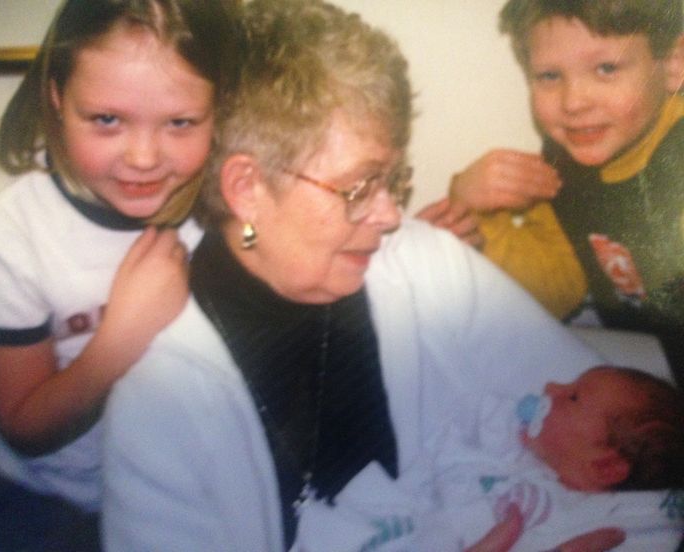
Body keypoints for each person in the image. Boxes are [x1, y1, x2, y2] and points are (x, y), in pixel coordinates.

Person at [102, 1, 626, 550]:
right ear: (247, 189)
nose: (390, 214)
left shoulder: (425, 267)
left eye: (393, 179)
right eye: (359, 186)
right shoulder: (159, 405)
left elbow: (623, 429)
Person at [0, 1, 243, 550]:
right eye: (107, 119)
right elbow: (23, 428)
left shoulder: (221, 194)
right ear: (57, 98)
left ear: (218, 111)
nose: (143, 157)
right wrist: (122, 337)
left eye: (180, 122)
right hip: (40, 503)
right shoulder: (6, 228)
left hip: (166, 487)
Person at [433, 0, 684, 386]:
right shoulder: (562, 164)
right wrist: (476, 214)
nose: (574, 102)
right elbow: (553, 289)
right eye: (550, 76)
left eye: (606, 68)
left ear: (673, 65)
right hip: (651, 359)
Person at [296, 365, 684, 551]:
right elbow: (462, 456)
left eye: (573, 397)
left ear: (606, 466)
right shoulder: (517, 454)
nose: (551, 386)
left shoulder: (604, 526)